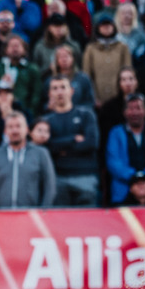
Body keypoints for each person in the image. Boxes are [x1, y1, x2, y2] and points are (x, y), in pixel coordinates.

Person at [105, 93, 145, 205]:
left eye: (138, 108)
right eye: (130, 108)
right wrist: (133, 177)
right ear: (124, 112)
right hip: (123, 193)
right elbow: (113, 161)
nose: (134, 112)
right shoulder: (115, 133)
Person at [44, 76, 99, 206]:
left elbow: (91, 143)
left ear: (71, 91)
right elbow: (47, 147)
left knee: (88, 223)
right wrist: (73, 139)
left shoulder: (86, 115)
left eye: (63, 87)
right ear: (50, 94)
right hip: (58, 179)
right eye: (55, 88)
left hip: (85, 177)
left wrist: (60, 147)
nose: (59, 92)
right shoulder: (46, 120)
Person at [0, 112, 56, 208]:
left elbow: (49, 187)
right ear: (5, 131)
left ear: (26, 129)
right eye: (10, 127)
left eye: (18, 126)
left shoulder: (41, 154)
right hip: (0, 216)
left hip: (31, 215)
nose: (15, 131)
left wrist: (43, 212)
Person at [83, 15, 132, 108]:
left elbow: (128, 71)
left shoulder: (123, 47)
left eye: (109, 25)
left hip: (119, 98)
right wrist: (93, 98)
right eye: (103, 25)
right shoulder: (90, 49)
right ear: (97, 28)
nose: (106, 28)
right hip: (98, 99)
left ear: (114, 27)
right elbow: (87, 75)